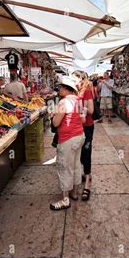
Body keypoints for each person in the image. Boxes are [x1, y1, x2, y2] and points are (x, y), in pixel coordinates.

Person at [50, 76, 85, 211]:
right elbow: (81, 119)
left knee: (65, 167)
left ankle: (65, 200)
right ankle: (74, 193)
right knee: (76, 165)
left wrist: (53, 115)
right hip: (79, 136)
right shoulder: (78, 101)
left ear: (66, 89)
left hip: (67, 139)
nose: (59, 90)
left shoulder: (63, 102)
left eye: (60, 87)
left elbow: (56, 123)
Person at [72, 70, 95, 201]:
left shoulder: (86, 91)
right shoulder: (74, 91)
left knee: (86, 152)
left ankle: (87, 181)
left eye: (74, 78)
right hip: (76, 126)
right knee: (78, 153)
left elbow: (90, 110)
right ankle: (84, 174)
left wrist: (78, 110)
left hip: (87, 127)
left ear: (80, 79)